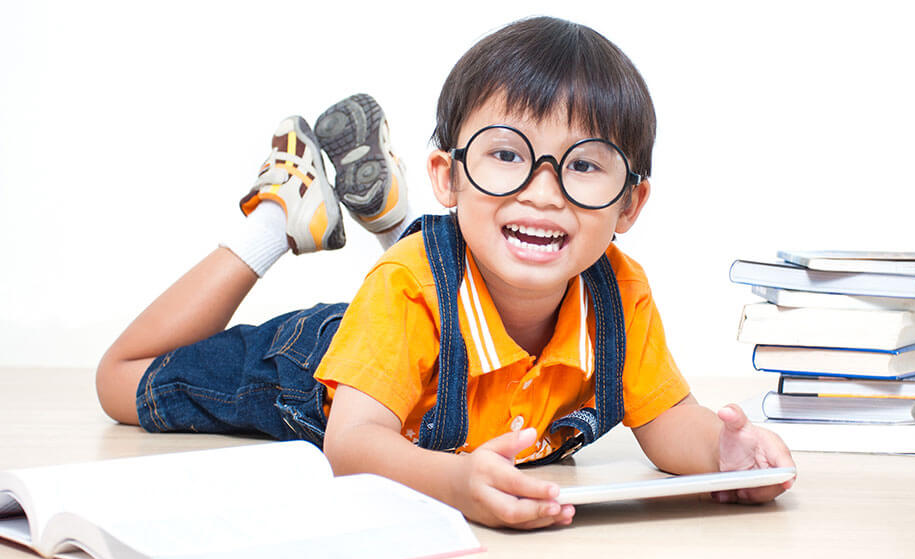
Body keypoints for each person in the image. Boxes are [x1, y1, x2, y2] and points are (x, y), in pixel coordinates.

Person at [96, 16, 795, 530]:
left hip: (430, 335)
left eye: (583, 164)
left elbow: (668, 420)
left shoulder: (618, 293)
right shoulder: (404, 290)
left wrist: (727, 452)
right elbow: (352, 443)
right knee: (121, 380)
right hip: (320, 369)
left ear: (630, 202)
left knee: (444, 270)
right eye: (506, 155)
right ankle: (284, 210)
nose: (544, 191)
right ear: (448, 175)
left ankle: (408, 224)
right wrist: (454, 483)